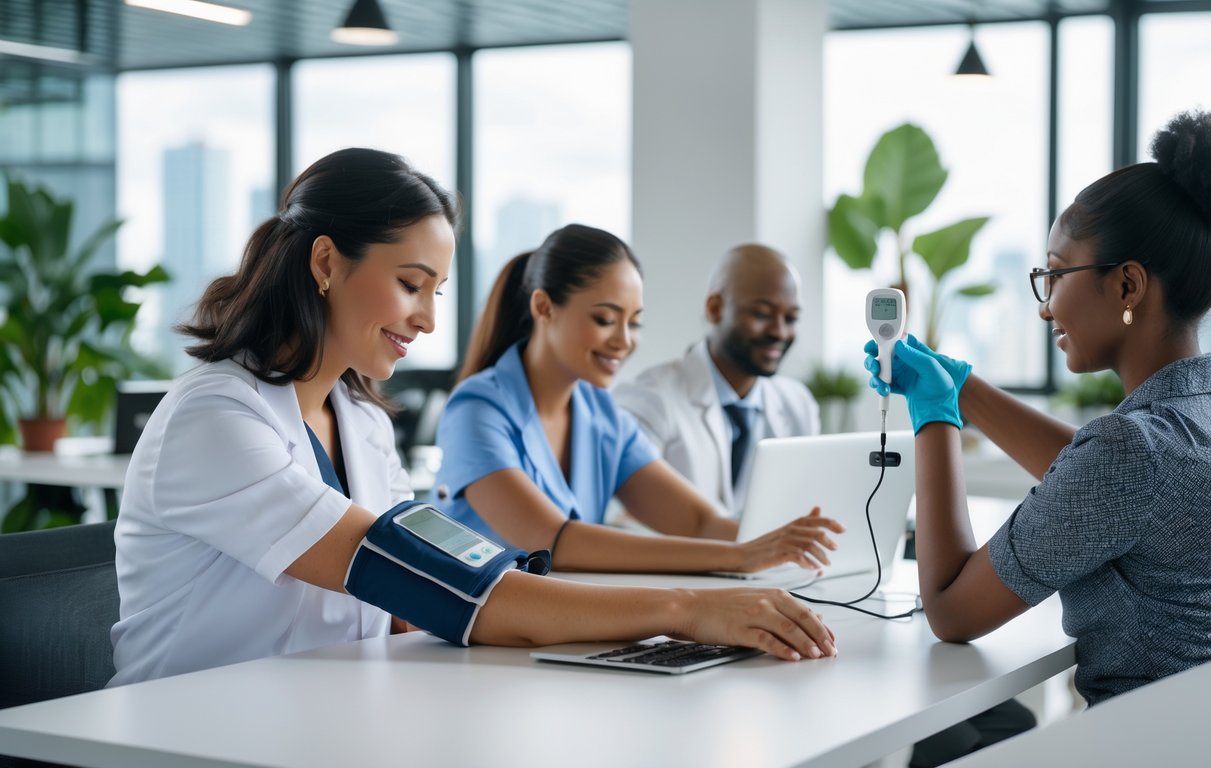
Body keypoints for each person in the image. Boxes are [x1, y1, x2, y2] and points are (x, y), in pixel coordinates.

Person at [108, 149, 836, 687]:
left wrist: (569, 618)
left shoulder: (360, 422)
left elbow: (441, 583)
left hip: (326, 712)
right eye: (410, 285)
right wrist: (679, 611)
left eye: (437, 291)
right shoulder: (216, 421)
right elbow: (414, 576)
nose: (427, 319)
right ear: (325, 262)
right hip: (187, 736)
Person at [866, 111, 1211, 764]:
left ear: (1126, 284)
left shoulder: (1133, 455)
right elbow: (1100, 476)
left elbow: (950, 612)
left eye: (1055, 274)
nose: (1044, 305)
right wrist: (961, 385)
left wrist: (933, 414)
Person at [434, 225, 843, 574]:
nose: (624, 341)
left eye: (634, 322)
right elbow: (554, 539)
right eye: (605, 319)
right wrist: (739, 555)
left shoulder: (601, 416)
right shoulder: (478, 408)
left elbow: (699, 521)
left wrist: (792, 543)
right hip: (464, 641)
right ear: (544, 307)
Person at [614, 244, 819, 515]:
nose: (779, 331)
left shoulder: (798, 404)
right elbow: (627, 518)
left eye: (791, 318)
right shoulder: (648, 398)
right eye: (761, 314)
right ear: (715, 308)